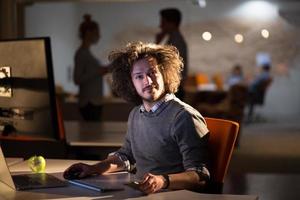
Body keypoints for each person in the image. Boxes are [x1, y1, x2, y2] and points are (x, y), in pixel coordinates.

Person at [64, 42, 210, 194]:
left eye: (152, 73)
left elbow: (200, 176)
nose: (147, 81)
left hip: (171, 195)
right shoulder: (135, 114)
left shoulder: (183, 116)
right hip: (139, 192)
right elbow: (126, 156)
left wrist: (162, 181)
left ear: (165, 74)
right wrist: (93, 168)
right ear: (131, 83)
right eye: (139, 76)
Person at [74, 14, 109, 121]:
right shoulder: (81, 54)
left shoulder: (87, 53)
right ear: (89, 33)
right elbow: (77, 79)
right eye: (97, 33)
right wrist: (98, 71)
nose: (99, 36)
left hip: (93, 102)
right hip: (89, 103)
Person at [155, 8, 188, 100]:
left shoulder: (175, 42)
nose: (160, 26)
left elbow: (160, 61)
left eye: (163, 22)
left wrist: (157, 43)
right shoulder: (174, 39)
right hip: (175, 85)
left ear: (172, 23)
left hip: (174, 87)